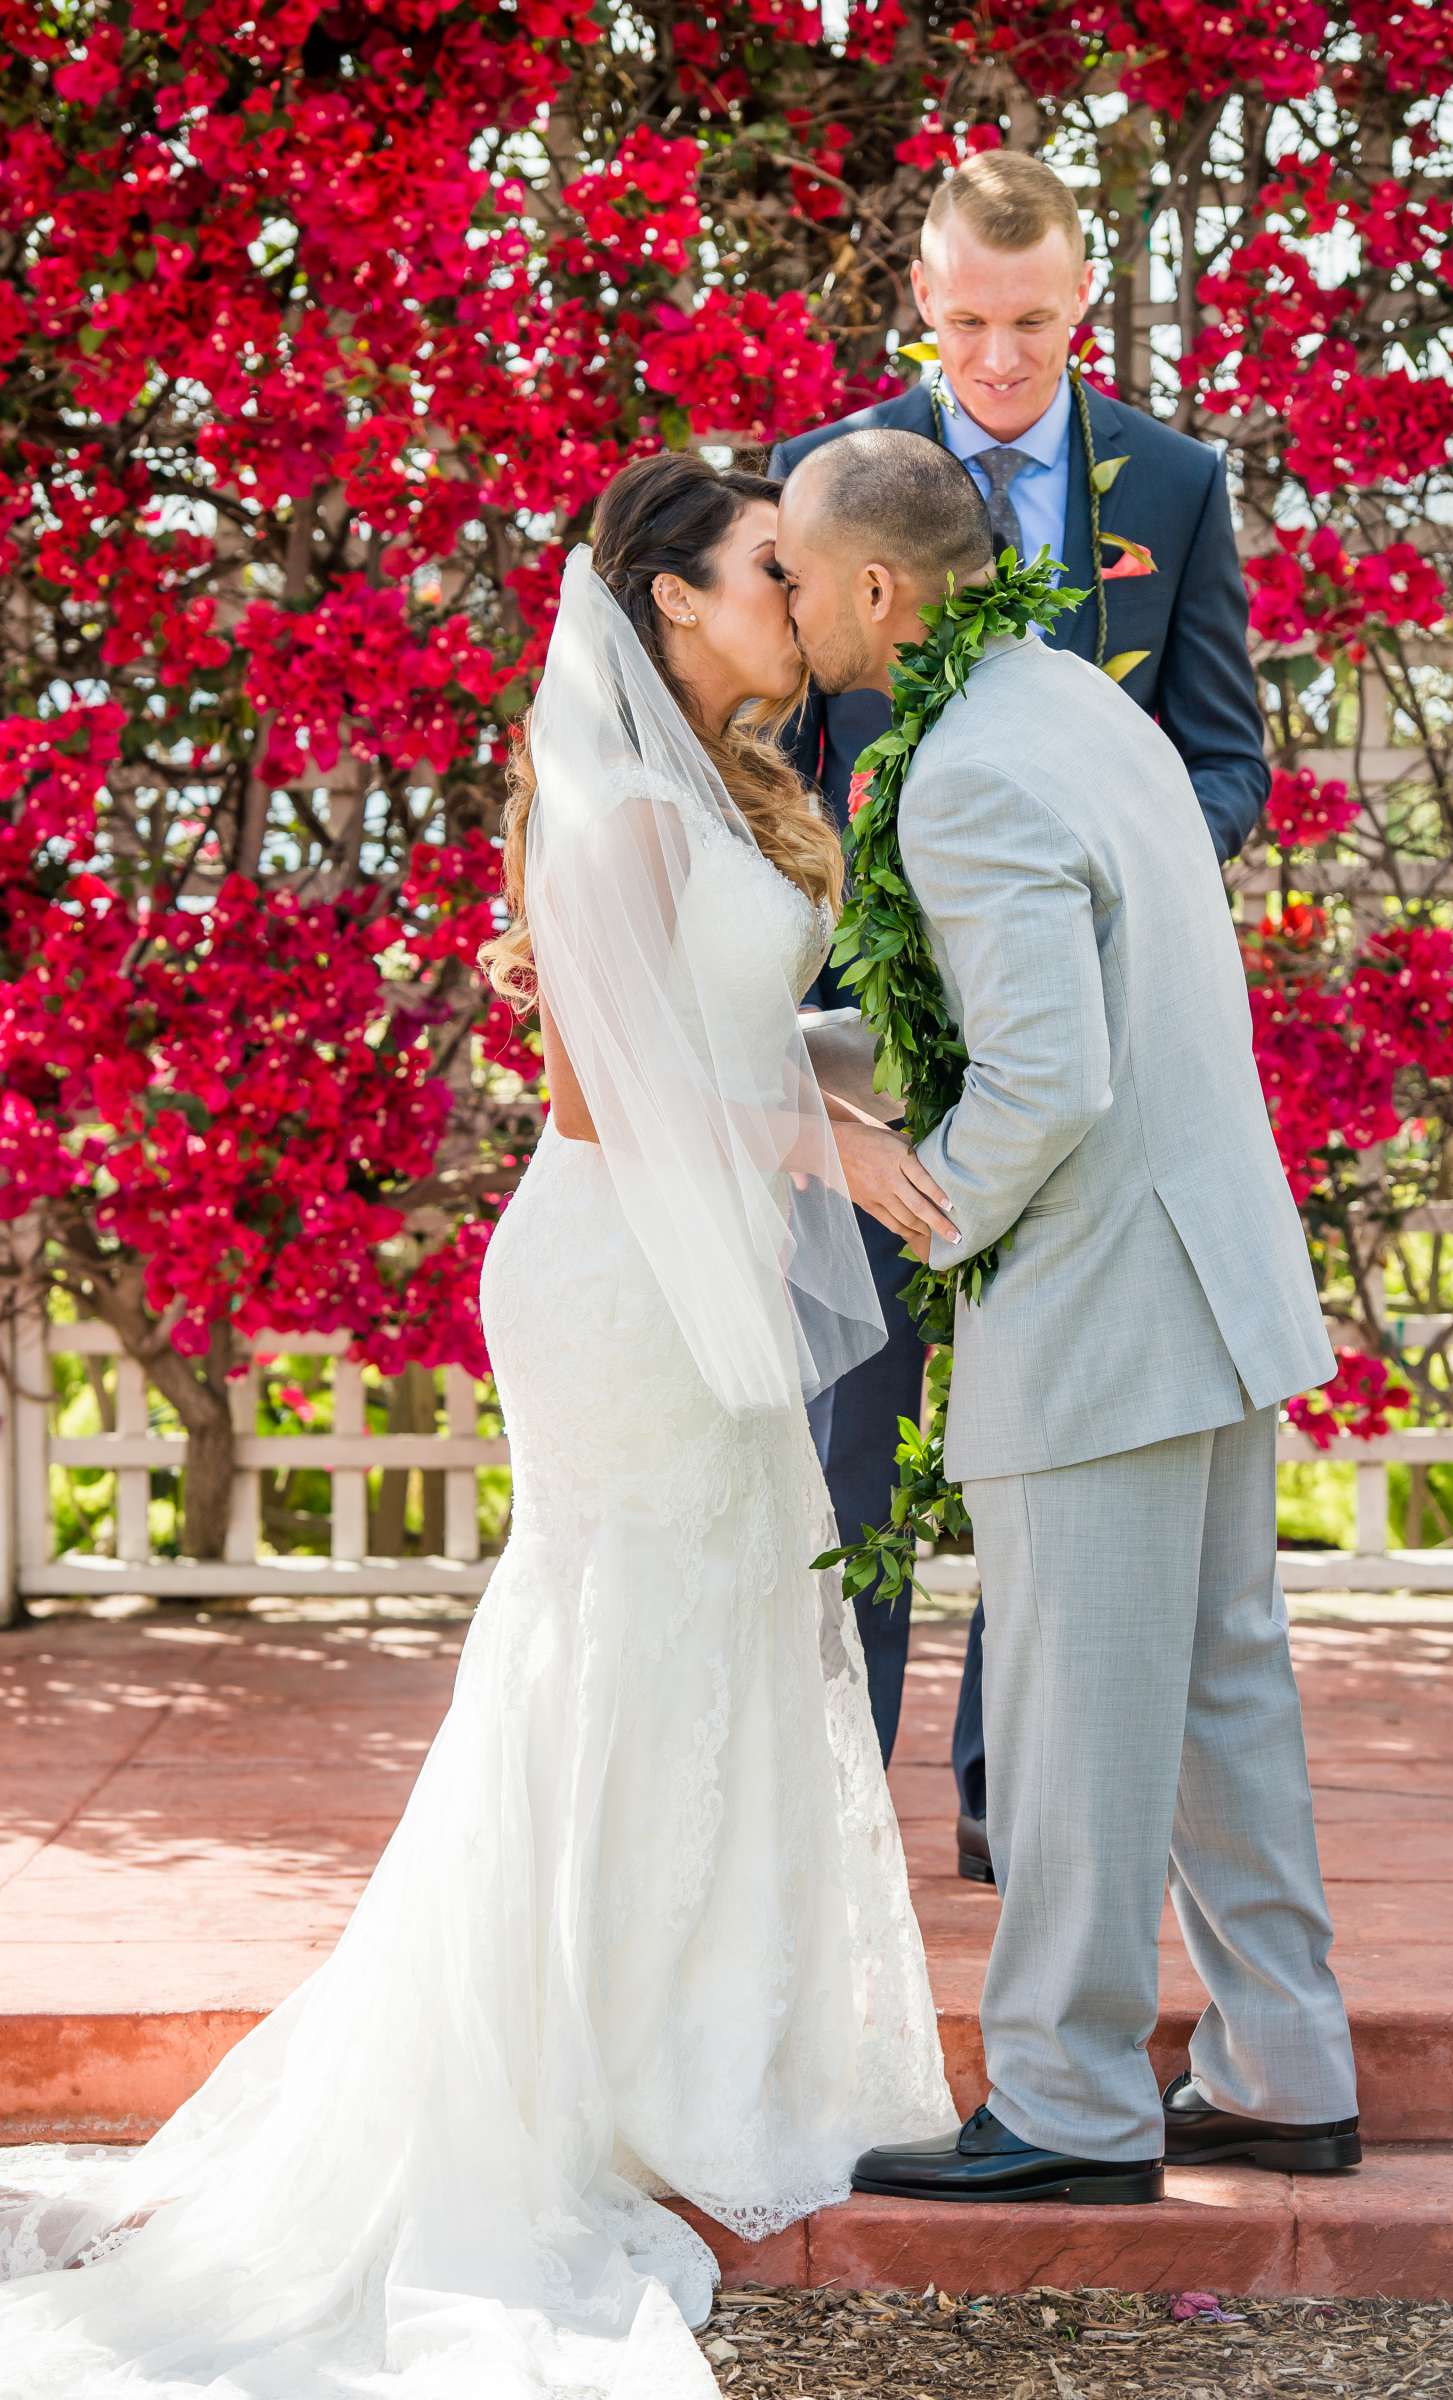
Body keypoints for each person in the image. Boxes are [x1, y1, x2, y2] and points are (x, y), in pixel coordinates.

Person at [0, 454, 958, 2398]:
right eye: (767, 566)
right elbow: (614, 1098)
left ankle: (689, 2044)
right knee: (604, 1642)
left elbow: (748, 1038)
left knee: (711, 1630)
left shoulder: (751, 794)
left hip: (696, 1252)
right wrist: (814, 1142)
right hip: (608, 1274)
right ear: (672, 601)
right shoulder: (608, 816)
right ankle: (559, 2078)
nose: (798, 592)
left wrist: (871, 1084)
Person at [775, 428, 1359, 2202]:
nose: (786, 599)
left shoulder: (956, 774)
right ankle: (1282, 2067)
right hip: (1215, 1273)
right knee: (1212, 1699)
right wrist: (775, 1061)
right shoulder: (1074, 706)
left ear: (876, 591)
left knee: (1068, 1725)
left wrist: (915, 1206)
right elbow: (1029, 1012)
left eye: (796, 573)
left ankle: (1070, 2108)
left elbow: (1042, 1080)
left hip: (1104, 1302)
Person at [769, 151, 1270, 1858]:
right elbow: (777, 755)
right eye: (972, 322)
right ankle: (841, 1805)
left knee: (1046, 1436)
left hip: (1081, 1037)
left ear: (1083, 302)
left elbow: (1218, 756)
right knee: (860, 1425)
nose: (1000, 360)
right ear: (922, 298)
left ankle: (1011, 1801)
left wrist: (1105, 890)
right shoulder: (826, 480)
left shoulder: (1175, 481)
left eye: (1034, 323)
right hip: (880, 1031)